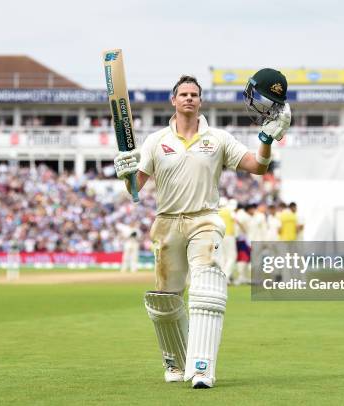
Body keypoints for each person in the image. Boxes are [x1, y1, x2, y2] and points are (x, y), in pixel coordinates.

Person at [113, 71, 291, 389]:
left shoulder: (217, 139)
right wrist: (126, 174)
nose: (189, 98)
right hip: (166, 222)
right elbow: (134, 191)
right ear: (174, 100)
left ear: (200, 100)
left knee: (206, 282)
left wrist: (265, 141)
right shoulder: (156, 141)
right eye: (183, 94)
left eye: (194, 94)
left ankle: (202, 368)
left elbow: (258, 167)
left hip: (204, 219)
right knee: (166, 299)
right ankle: (176, 361)